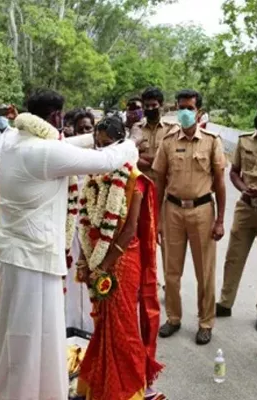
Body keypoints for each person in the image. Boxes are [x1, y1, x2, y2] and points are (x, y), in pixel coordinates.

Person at [0, 90, 138, 400]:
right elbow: (104, 161)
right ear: (56, 118)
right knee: (30, 339)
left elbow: (65, 144)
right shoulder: (43, 154)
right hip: (34, 259)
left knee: (30, 337)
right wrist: (130, 143)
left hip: (19, 255)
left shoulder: (14, 142)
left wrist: (91, 137)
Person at [76, 116, 163, 400]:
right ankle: (101, 385)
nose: (101, 150)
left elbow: (126, 232)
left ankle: (129, 388)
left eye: (106, 144)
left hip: (123, 261)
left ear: (119, 143)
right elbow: (85, 223)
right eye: (97, 145)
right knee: (103, 324)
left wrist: (103, 264)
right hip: (97, 259)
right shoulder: (94, 178)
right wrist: (84, 260)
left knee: (122, 326)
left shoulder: (134, 179)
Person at [153, 89, 226, 345]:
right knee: (171, 272)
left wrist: (220, 220)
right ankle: (173, 318)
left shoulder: (212, 141)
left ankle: (205, 323)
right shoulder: (168, 141)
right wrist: (157, 220)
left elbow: (220, 183)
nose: (185, 112)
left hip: (203, 211)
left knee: (204, 272)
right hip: (172, 210)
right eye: (181, 107)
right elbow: (159, 181)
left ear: (200, 112)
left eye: (190, 108)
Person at [217, 97, 257, 334]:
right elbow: (234, 172)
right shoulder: (244, 140)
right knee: (234, 257)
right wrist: (244, 189)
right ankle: (225, 303)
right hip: (245, 208)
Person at [138, 87, 177, 181]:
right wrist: (159, 158)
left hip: (165, 185)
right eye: (147, 106)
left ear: (161, 105)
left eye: (154, 105)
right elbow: (130, 157)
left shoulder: (172, 129)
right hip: (141, 185)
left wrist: (142, 157)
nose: (150, 108)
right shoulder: (137, 129)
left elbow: (172, 158)